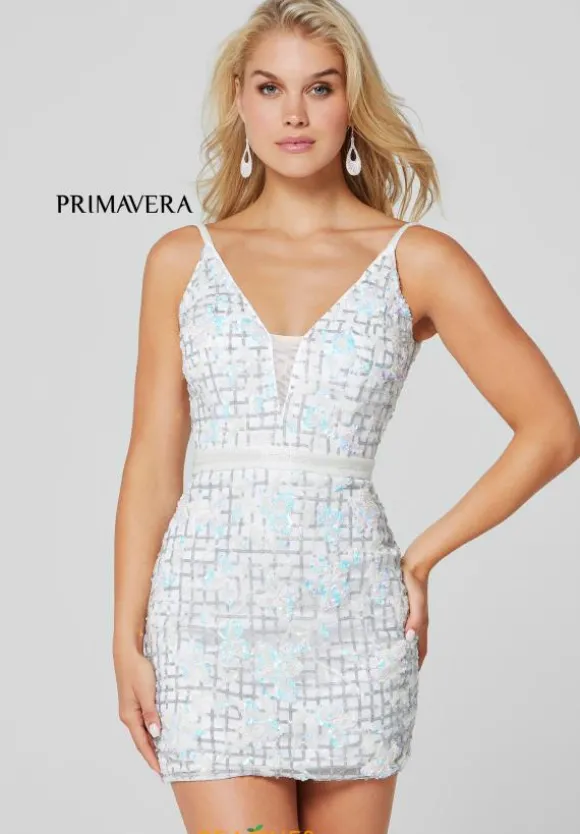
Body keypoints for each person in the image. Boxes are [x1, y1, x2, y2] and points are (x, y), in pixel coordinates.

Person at [113, 1, 580, 831]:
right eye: (271, 87)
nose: (294, 113)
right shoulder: (180, 260)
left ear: (351, 103)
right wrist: (126, 638)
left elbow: (552, 430)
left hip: (352, 618)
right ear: (240, 99)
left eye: (319, 88)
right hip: (205, 627)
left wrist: (422, 557)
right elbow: (152, 462)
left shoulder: (418, 260)